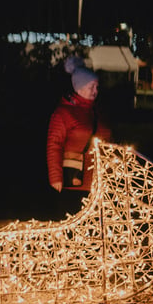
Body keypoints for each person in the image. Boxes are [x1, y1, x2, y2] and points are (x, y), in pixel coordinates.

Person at [46, 56, 112, 217]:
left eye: (97, 86)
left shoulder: (97, 111)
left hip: (97, 181)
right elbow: (54, 145)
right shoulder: (64, 113)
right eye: (91, 86)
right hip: (73, 180)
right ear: (79, 87)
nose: (95, 91)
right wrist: (56, 177)